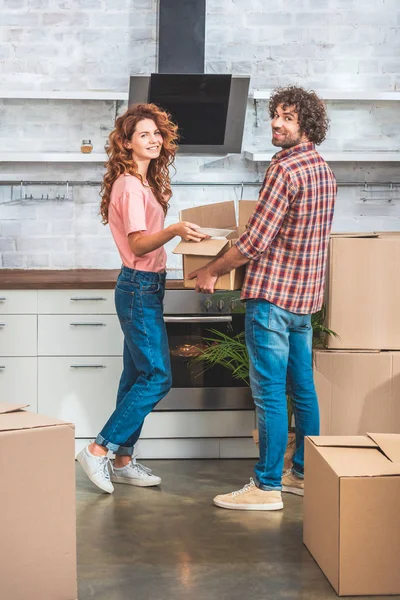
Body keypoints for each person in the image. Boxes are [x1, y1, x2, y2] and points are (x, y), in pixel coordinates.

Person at [189, 86, 337, 511]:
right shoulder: (324, 171)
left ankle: (266, 486)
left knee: (271, 393)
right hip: (304, 302)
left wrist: (211, 270)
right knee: (303, 390)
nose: (277, 122)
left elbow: (255, 242)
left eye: (288, 117)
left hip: (272, 299)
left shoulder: (285, 170)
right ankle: (302, 475)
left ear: (306, 124)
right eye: (275, 115)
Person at [77, 103, 207, 493]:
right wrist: (174, 230)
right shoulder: (130, 186)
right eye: (143, 135)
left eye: (156, 133)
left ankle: (123, 457)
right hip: (138, 287)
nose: (153, 139)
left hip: (146, 286)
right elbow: (138, 242)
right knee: (158, 377)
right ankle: (99, 450)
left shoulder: (144, 182)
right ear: (127, 144)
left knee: (135, 375)